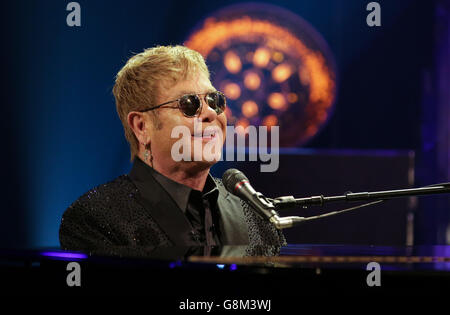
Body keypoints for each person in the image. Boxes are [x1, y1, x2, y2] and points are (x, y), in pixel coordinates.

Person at [59, 45, 286, 255]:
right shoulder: (94, 218)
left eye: (214, 100)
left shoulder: (256, 214)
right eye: (189, 104)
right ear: (141, 126)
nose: (210, 114)